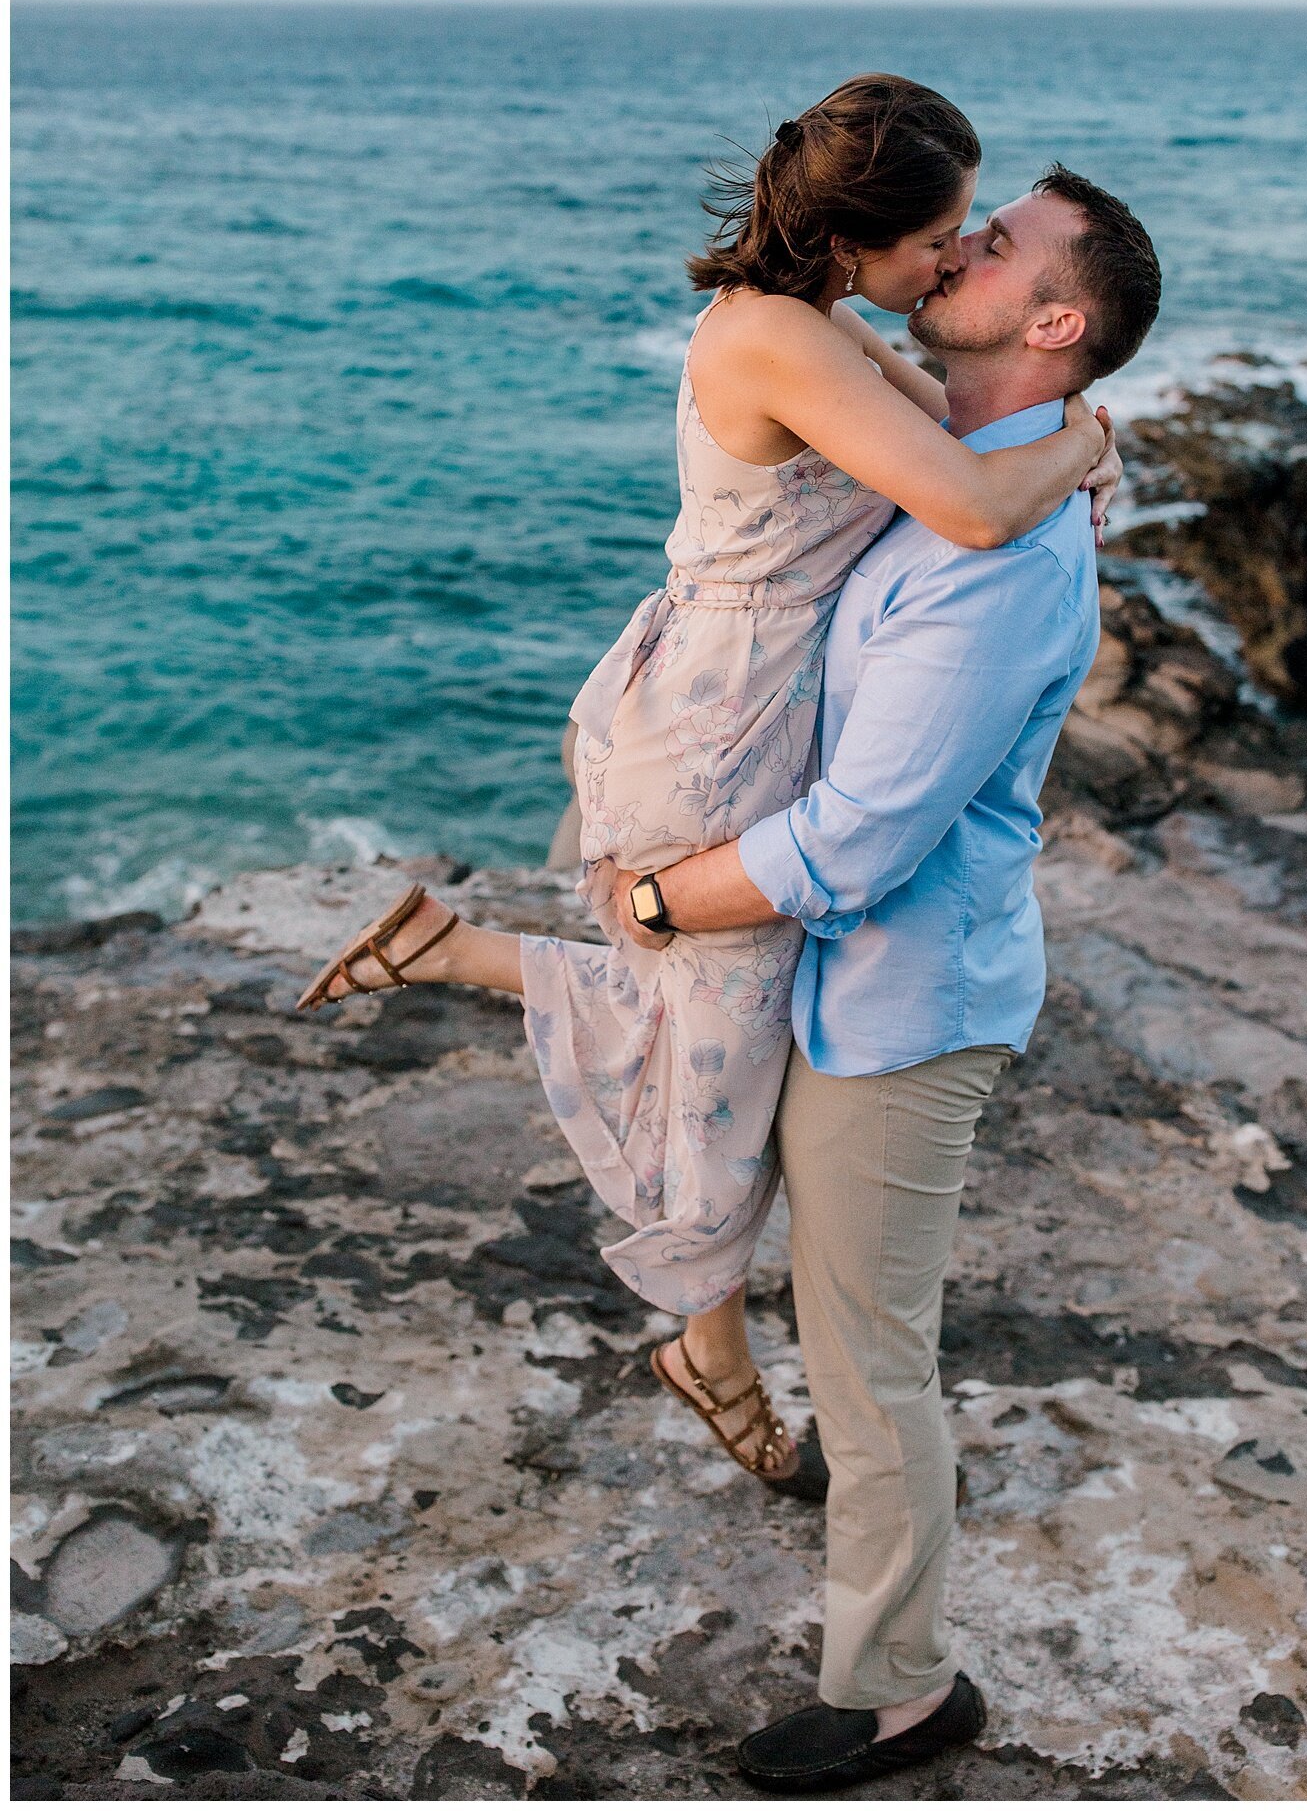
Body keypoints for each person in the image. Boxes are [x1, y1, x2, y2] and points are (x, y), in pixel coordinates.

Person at [297, 77, 1121, 1498]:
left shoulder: (828, 329)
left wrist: (1055, 449)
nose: (949, 262)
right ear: (860, 237)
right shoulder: (779, 343)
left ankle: (455, 953)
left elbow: (971, 452)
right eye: (939, 237)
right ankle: (709, 1349)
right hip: (716, 726)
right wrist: (1092, 446)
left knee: (712, 1026)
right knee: (723, 1061)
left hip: (739, 709)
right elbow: (980, 503)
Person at [607, 164, 1162, 1790]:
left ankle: (904, 1688)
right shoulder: (955, 462)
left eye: (997, 247)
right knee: (846, 1331)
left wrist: (658, 899)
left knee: (871, 1355)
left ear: (1053, 322)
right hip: (854, 982)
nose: (961, 248)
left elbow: (862, 836)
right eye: (964, 227)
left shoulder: (1001, 542)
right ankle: (822, 1491)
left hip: (905, 1002)